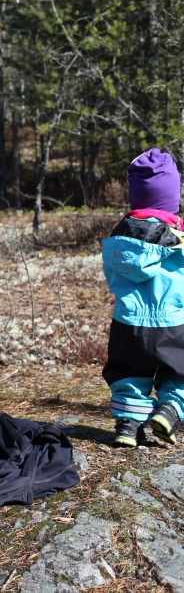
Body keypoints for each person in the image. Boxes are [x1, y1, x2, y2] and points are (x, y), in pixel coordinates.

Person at [102, 148, 184, 447]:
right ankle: (170, 410)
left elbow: (112, 278)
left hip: (128, 322)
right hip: (174, 322)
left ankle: (128, 425)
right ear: (171, 197)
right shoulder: (179, 238)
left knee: (128, 373)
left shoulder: (118, 238)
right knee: (180, 372)